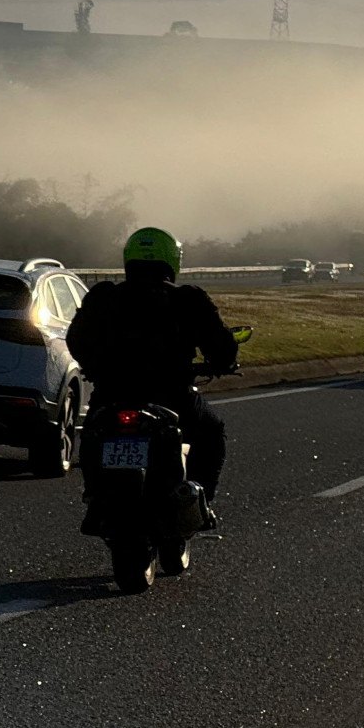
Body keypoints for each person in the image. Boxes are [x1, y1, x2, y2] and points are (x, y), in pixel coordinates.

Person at [67, 226, 238, 531]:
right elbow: (221, 345)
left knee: (92, 433)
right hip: (172, 395)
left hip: (112, 392)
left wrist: (94, 366)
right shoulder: (188, 299)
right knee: (212, 432)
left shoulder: (104, 296)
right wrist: (221, 362)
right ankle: (200, 502)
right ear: (172, 260)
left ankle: (95, 498)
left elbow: (75, 339)